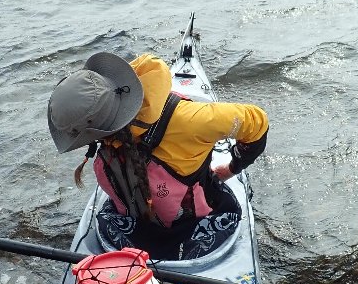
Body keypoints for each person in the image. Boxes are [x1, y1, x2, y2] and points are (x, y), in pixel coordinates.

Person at [48, 51, 269, 260]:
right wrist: (234, 166)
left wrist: (231, 168)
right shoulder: (192, 121)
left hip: (193, 229)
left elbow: (257, 122)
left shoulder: (193, 120)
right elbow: (256, 126)